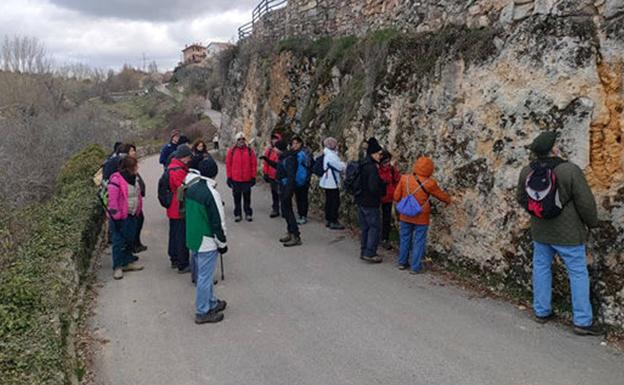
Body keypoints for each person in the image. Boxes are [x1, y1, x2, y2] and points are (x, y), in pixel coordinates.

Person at [516, 131, 602, 336]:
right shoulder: (569, 170)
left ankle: (541, 311)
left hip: (540, 231)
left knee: (541, 268)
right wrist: (592, 223)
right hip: (568, 233)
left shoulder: (527, 170)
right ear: (554, 149)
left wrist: (538, 212)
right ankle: (582, 321)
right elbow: (585, 202)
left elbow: (521, 198)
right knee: (578, 272)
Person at [185, 157, 228, 324]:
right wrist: (222, 243)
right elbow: (218, 220)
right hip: (207, 239)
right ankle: (202, 311)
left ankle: (211, 302)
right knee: (205, 276)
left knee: (206, 275)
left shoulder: (192, 188)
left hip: (194, 237)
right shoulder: (212, 193)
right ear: (215, 173)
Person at [393, 156, 450, 274]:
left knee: (404, 238)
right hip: (421, 216)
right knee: (418, 241)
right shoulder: (430, 183)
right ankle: (415, 267)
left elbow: (396, 196)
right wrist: (449, 200)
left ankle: (402, 263)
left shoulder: (405, 179)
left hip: (405, 214)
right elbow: (441, 196)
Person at [107, 156, 144, 280]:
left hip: (132, 213)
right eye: (135, 166)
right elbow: (112, 201)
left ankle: (127, 262)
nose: (137, 168)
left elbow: (138, 194)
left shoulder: (135, 178)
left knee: (130, 238)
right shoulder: (116, 180)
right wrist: (116, 216)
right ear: (129, 168)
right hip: (120, 217)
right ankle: (117, 266)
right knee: (118, 241)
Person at [356, 138, 386, 263]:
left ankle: (364, 250)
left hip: (361, 200)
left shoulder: (362, 164)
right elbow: (373, 187)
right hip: (370, 202)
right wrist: (382, 188)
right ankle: (370, 253)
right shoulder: (372, 168)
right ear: (373, 153)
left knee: (365, 228)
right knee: (374, 227)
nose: (381, 156)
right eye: (379, 154)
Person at [167, 144, 193, 273]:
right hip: (178, 207)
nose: (189, 160)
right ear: (184, 157)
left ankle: (174, 258)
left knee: (174, 233)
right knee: (181, 235)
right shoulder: (178, 170)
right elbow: (182, 189)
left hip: (173, 206)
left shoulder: (173, 167)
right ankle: (182, 263)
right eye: (188, 157)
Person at [225, 132, 257, 222]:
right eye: (239, 139)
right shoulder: (232, 151)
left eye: (243, 139)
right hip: (236, 179)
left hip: (247, 179)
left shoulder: (250, 151)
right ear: (236, 141)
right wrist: (229, 177)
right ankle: (238, 214)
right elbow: (228, 164)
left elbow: (253, 164)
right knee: (237, 198)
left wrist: (253, 177)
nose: (241, 141)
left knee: (247, 198)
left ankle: (248, 213)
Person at [275, 140, 302, 247]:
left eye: (276, 148)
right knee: (286, 212)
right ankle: (290, 232)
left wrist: (288, 192)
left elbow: (291, 177)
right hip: (283, 187)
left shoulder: (289, 159)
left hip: (287, 188)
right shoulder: (284, 157)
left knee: (289, 212)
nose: (274, 150)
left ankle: (296, 236)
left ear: (280, 149)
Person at [319, 137, 346, 230]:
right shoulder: (331, 155)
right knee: (334, 201)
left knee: (329, 201)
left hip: (328, 181)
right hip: (332, 181)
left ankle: (329, 219)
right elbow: (338, 166)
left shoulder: (327, 154)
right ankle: (333, 220)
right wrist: (344, 165)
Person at [378, 151, 400, 250]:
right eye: (385, 162)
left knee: (386, 219)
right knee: (376, 218)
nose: (387, 164)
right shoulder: (377, 170)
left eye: (388, 161)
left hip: (389, 197)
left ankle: (384, 239)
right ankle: (376, 237)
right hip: (378, 197)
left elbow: (397, 179)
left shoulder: (391, 169)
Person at [128, 144, 148, 253]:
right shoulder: (127, 168)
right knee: (136, 222)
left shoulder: (133, 165)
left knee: (139, 220)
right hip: (132, 204)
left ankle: (137, 243)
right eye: (131, 151)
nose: (134, 152)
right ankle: (134, 245)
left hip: (137, 201)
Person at [260, 132, 283, 218]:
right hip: (272, 175)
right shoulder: (269, 151)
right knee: (274, 193)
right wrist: (265, 173)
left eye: (276, 139)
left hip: (281, 176)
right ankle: (275, 209)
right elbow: (266, 163)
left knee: (282, 193)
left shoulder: (282, 150)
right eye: (273, 139)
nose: (274, 140)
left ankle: (284, 209)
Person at [291, 136, 312, 225]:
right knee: (298, 197)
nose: (294, 145)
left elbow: (308, 164)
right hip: (296, 179)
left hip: (304, 179)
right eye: (293, 143)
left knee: (303, 198)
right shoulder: (295, 153)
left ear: (300, 143)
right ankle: (300, 214)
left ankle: (303, 215)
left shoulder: (304, 153)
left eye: (296, 143)